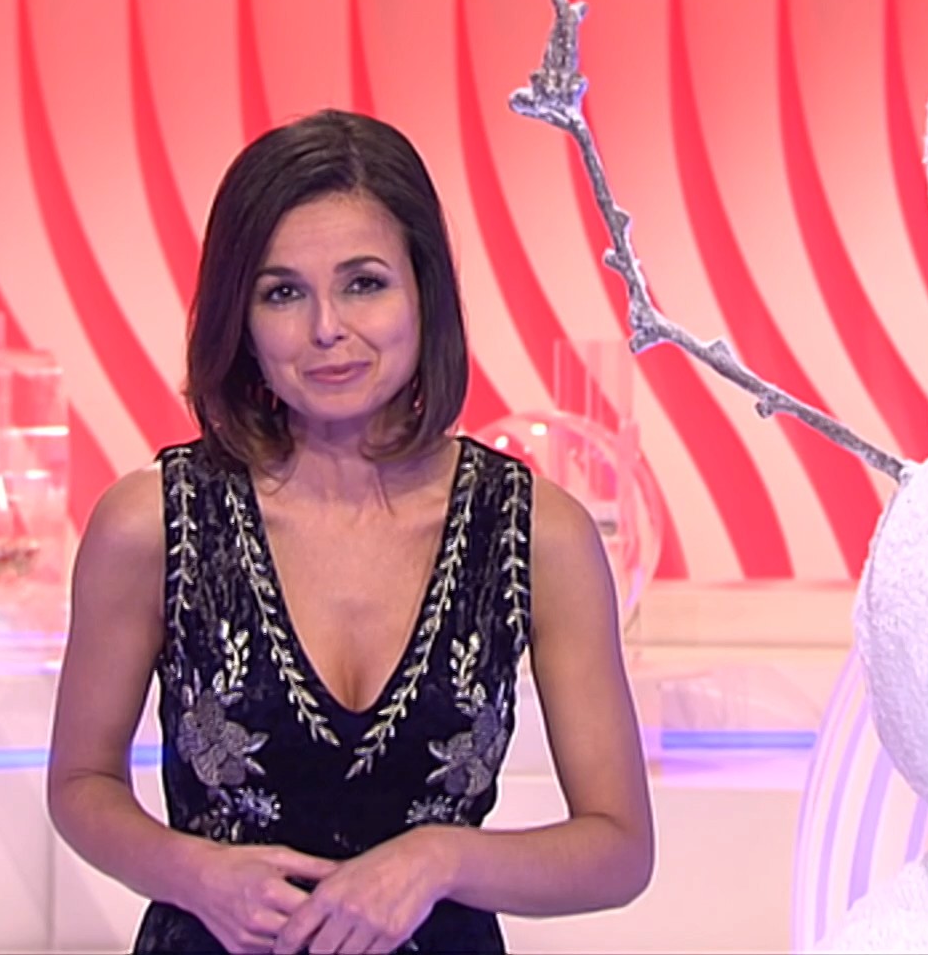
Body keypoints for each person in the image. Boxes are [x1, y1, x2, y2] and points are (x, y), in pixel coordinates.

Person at [46, 109, 655, 954]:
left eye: (364, 283)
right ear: (239, 319)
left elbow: (618, 850)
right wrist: (193, 873)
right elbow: (81, 783)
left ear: (424, 292)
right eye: (283, 292)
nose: (327, 327)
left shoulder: (536, 534)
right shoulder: (151, 524)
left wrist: (440, 861)